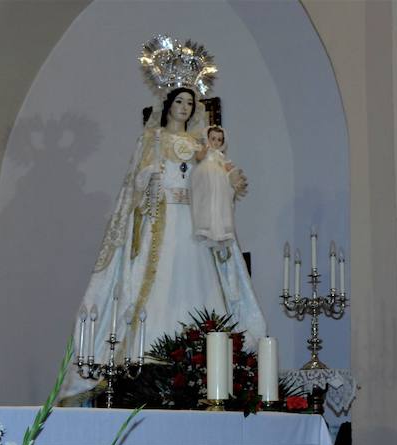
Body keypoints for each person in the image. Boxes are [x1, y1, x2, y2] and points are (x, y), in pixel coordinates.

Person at [61, 87, 266, 399]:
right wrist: (150, 179)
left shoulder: (199, 144)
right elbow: (135, 183)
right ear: (168, 106)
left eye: (190, 103)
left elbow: (214, 173)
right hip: (164, 222)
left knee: (198, 281)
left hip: (194, 223)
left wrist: (230, 182)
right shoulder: (152, 140)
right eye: (179, 102)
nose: (184, 108)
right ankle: (150, 354)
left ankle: (204, 353)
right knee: (161, 280)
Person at [191, 125, 241, 245]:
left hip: (219, 183)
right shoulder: (206, 152)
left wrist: (231, 171)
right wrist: (204, 150)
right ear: (207, 138)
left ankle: (218, 229)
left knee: (219, 203)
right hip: (206, 178)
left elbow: (226, 166)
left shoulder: (220, 156)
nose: (216, 142)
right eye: (213, 138)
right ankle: (206, 227)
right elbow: (198, 158)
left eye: (219, 140)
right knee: (207, 202)